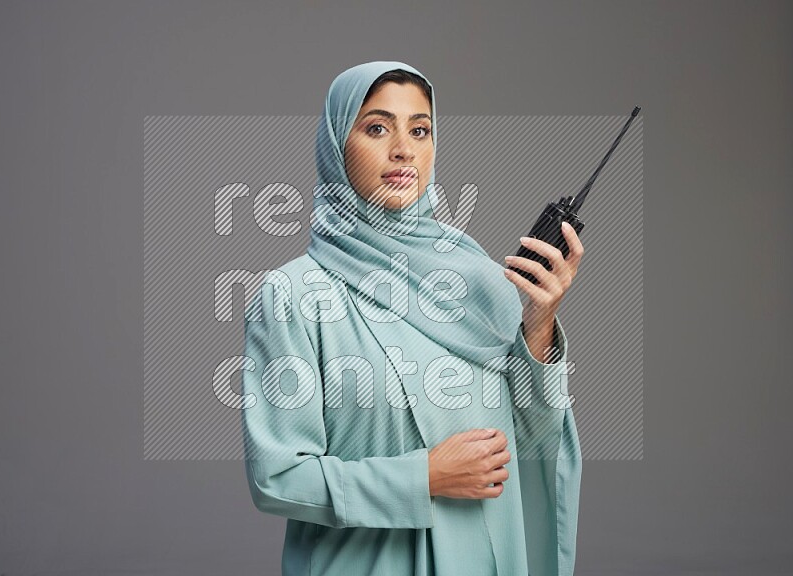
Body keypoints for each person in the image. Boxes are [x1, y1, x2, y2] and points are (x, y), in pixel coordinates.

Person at [241, 61, 584, 576]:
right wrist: (424, 476)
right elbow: (278, 476)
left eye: (420, 130)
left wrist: (537, 325)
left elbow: (529, 442)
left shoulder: (479, 282)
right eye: (377, 128)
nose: (404, 149)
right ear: (337, 145)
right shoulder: (293, 294)